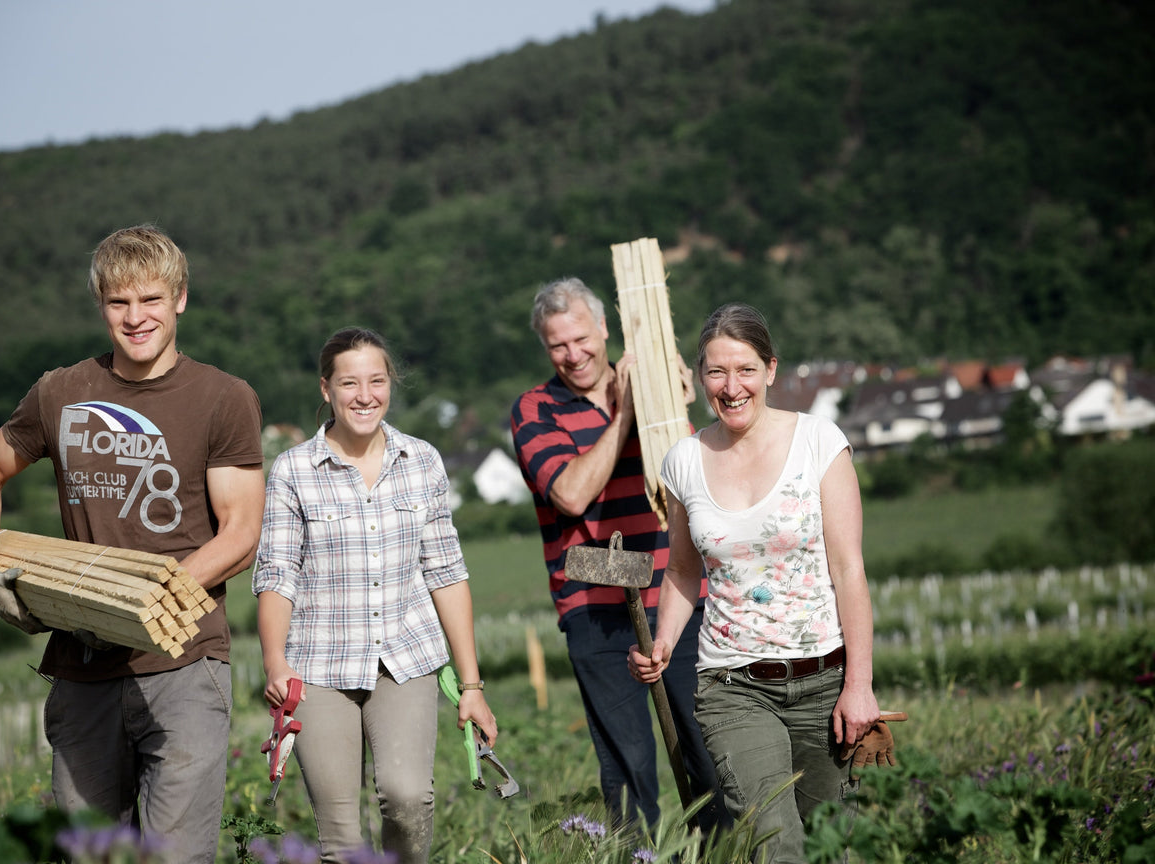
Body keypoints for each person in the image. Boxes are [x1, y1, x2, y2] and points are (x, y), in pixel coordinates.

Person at [0, 224, 265, 864]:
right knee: (89, 856)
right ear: (101, 304)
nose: (135, 317)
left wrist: (148, 598)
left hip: (183, 661)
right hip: (83, 665)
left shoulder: (222, 398)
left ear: (179, 299)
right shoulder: (62, 392)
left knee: (175, 857)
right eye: (119, 302)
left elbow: (241, 532)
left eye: (150, 300)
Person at [628, 303, 881, 864]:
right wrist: (664, 640)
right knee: (776, 842)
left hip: (824, 681)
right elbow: (682, 569)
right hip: (732, 684)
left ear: (770, 369)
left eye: (745, 369)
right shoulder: (684, 462)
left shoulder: (819, 442)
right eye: (716, 372)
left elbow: (849, 569)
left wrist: (859, 684)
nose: (731, 386)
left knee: (834, 846)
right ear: (701, 380)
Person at [252, 326, 498, 864]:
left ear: (390, 384)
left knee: (408, 799)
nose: (365, 395)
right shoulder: (293, 470)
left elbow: (447, 573)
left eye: (376, 381)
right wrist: (276, 663)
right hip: (317, 665)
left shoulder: (423, 461)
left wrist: (472, 684)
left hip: (405, 660)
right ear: (326, 390)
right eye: (349, 383)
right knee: (340, 835)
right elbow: (276, 574)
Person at [510, 277, 725, 833]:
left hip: (680, 598)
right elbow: (571, 494)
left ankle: (727, 851)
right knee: (628, 773)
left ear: (605, 330)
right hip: (594, 609)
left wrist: (674, 408)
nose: (573, 354)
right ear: (544, 347)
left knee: (710, 755)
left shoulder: (654, 395)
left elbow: (698, 483)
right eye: (558, 345)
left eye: (582, 338)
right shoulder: (536, 410)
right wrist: (626, 413)